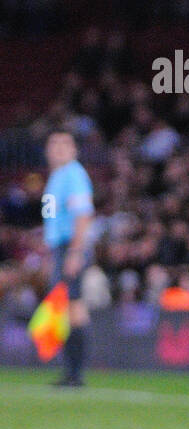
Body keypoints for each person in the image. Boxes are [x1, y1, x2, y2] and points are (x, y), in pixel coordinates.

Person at [42, 130, 94, 387]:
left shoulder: (73, 174)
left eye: (65, 144)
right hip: (60, 247)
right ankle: (71, 371)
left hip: (71, 246)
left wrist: (75, 252)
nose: (59, 148)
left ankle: (75, 373)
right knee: (66, 307)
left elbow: (82, 215)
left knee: (73, 306)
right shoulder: (57, 177)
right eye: (54, 143)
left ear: (74, 149)